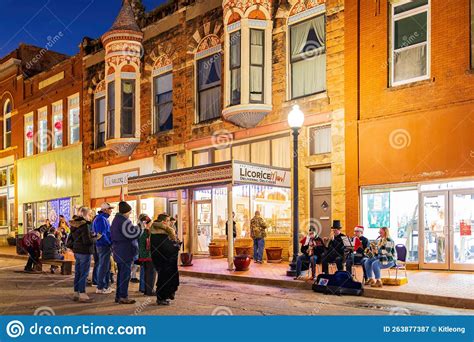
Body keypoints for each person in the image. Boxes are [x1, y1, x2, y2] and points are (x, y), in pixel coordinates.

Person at [110, 201, 140, 304]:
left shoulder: (116, 220)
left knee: (121, 275)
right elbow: (132, 234)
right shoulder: (124, 221)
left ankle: (119, 296)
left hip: (119, 250)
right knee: (125, 275)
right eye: (129, 212)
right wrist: (139, 228)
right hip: (125, 251)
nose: (130, 214)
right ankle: (123, 296)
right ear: (126, 212)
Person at [151, 214, 180, 306]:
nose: (170, 223)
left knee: (163, 278)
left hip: (160, 260)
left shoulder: (154, 232)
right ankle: (162, 298)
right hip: (165, 261)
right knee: (164, 279)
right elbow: (167, 248)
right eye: (168, 221)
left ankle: (164, 296)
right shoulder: (162, 234)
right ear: (163, 222)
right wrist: (177, 245)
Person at [68, 207, 95, 303]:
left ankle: (76, 292)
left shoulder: (74, 225)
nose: (90, 216)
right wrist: (95, 238)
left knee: (78, 272)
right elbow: (87, 241)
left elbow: (70, 239)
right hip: (84, 251)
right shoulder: (84, 225)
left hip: (77, 251)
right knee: (84, 273)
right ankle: (82, 293)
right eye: (89, 214)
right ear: (85, 215)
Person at [92, 202, 115, 294]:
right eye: (110, 209)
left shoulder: (102, 218)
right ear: (105, 210)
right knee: (103, 266)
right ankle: (100, 287)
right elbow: (100, 234)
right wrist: (109, 243)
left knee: (105, 266)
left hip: (103, 245)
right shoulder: (101, 219)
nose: (111, 211)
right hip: (103, 245)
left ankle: (105, 286)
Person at [138, 214, 156, 296]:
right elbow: (148, 245)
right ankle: (149, 291)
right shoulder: (147, 232)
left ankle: (146, 290)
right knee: (150, 273)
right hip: (148, 255)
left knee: (146, 273)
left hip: (143, 255)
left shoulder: (140, 231)